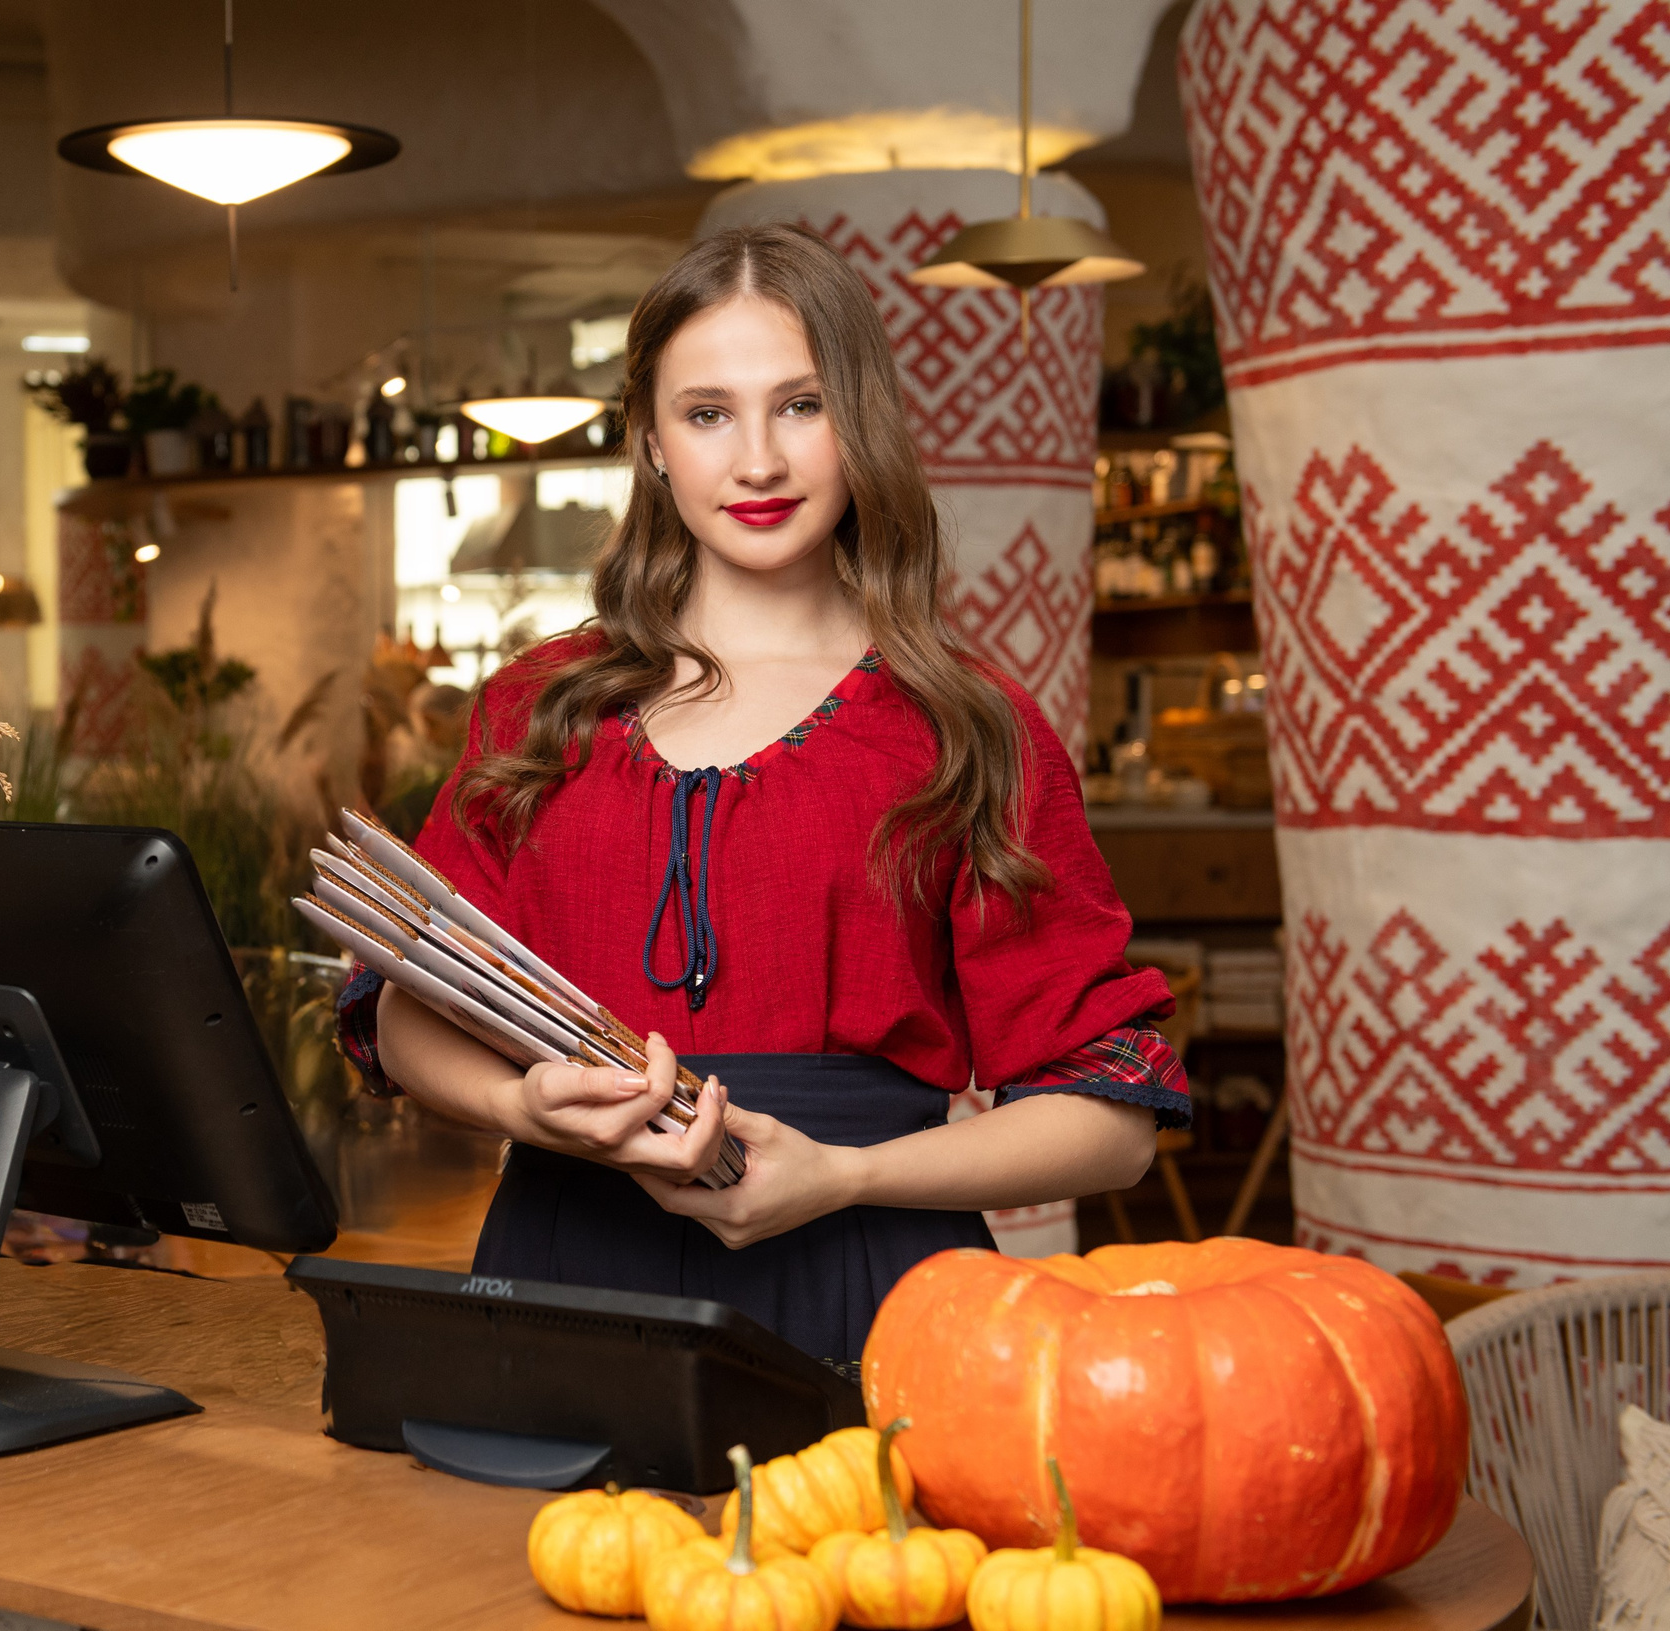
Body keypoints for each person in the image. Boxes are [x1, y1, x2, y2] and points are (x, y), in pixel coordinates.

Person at [336, 224, 1187, 1361]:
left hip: (867, 1276)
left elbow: (1112, 1122)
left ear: (862, 422)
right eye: (707, 413)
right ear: (650, 443)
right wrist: (516, 1108)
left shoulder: (967, 727)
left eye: (800, 405)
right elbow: (404, 1003)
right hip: (563, 1265)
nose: (757, 462)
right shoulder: (539, 708)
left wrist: (847, 1174)